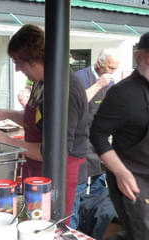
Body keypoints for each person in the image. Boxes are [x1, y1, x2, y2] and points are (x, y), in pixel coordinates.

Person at [0, 24, 88, 222]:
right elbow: (38, 121)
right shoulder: (42, 82)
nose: (17, 68)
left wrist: (4, 140)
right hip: (39, 171)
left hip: (63, 176)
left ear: (36, 59)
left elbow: (53, 152)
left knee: (55, 229)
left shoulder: (65, 90)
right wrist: (8, 114)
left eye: (19, 62)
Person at [90, 32, 149, 240]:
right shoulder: (122, 93)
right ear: (139, 57)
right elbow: (97, 135)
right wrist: (120, 172)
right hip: (133, 181)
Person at [69, 49, 120, 236]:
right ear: (99, 63)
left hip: (99, 141)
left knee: (99, 192)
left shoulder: (112, 82)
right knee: (78, 189)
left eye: (115, 69)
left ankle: (92, 225)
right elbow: (76, 104)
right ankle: (73, 230)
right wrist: (99, 84)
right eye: (110, 67)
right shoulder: (80, 78)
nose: (112, 72)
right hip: (79, 141)